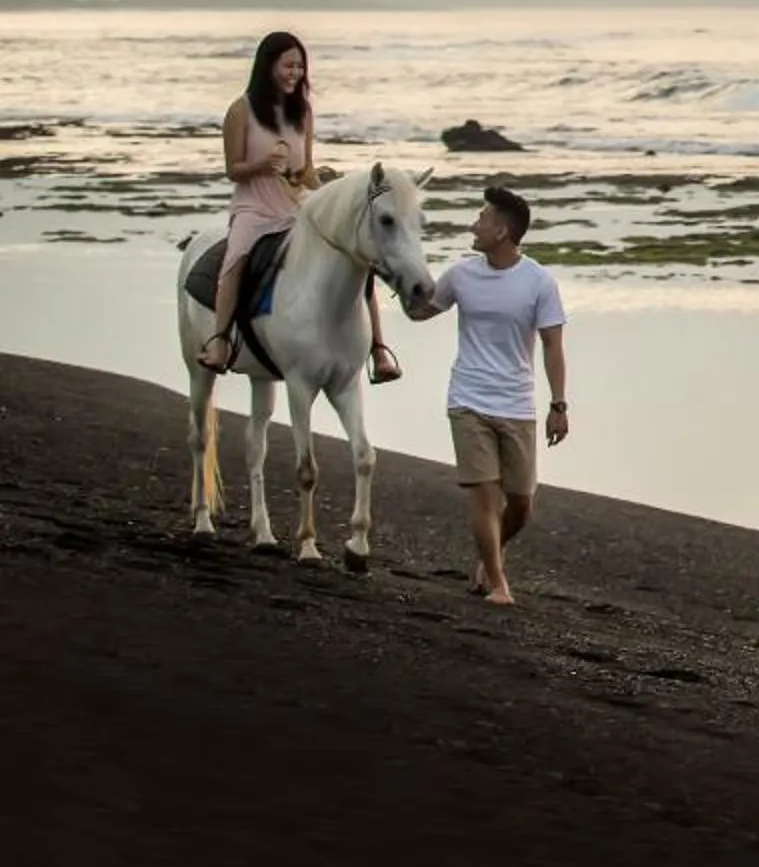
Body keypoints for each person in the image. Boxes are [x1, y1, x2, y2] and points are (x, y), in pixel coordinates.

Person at [198, 30, 402, 384]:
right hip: (254, 207)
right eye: (288, 65)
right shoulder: (241, 110)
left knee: (354, 255)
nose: (295, 73)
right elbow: (233, 169)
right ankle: (219, 340)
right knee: (237, 257)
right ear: (268, 66)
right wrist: (263, 165)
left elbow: (306, 169)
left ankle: (378, 349)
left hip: (295, 205)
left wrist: (330, 197)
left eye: (299, 66)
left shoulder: (302, 112)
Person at [406, 185, 568, 607]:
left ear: (502, 231)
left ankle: (490, 556)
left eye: (482, 218)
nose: (473, 225)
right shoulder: (461, 274)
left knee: (521, 505)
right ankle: (498, 584)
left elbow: (553, 345)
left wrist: (559, 405)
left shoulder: (539, 282)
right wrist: (397, 277)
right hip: (468, 399)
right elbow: (422, 311)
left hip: (517, 403)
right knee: (485, 496)